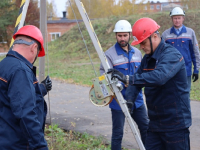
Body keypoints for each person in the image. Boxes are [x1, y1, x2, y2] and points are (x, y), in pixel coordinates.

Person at [107, 18, 191, 150]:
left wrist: (127, 79)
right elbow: (136, 81)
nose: (141, 47)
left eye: (143, 43)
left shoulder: (172, 55)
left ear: (155, 37)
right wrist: (129, 101)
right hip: (155, 124)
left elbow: (159, 77)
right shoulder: (147, 59)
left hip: (175, 124)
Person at [0, 25, 52, 150]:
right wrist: (40, 146)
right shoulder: (20, 70)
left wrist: (41, 89)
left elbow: (10, 97)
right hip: (16, 143)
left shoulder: (4, 65)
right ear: (34, 48)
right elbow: (26, 113)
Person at [100, 20, 149, 150]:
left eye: (125, 35)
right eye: (119, 35)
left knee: (146, 128)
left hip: (137, 100)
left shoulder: (138, 53)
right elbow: (104, 77)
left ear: (129, 35)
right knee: (118, 133)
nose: (122, 38)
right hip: (118, 101)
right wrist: (118, 84)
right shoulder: (108, 55)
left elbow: (141, 74)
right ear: (116, 35)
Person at [162, 7, 200, 94]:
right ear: (172, 19)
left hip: (186, 71)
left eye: (179, 18)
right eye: (175, 18)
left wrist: (196, 69)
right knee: (171, 96)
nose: (177, 20)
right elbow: (161, 53)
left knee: (185, 95)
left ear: (183, 18)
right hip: (170, 72)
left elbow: (195, 52)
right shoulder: (165, 34)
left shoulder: (190, 33)